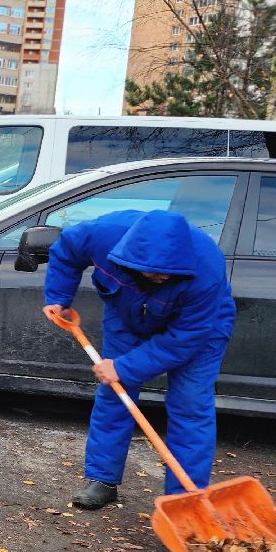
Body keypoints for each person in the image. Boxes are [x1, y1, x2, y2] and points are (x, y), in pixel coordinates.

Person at [41, 209, 235, 510]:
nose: (160, 278)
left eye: (167, 274)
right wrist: (58, 296)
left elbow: (183, 339)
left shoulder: (206, 267)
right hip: (127, 318)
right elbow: (65, 250)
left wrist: (123, 367)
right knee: (114, 395)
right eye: (152, 272)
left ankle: (183, 501)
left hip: (197, 331)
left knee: (191, 407)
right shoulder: (102, 234)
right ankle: (102, 479)